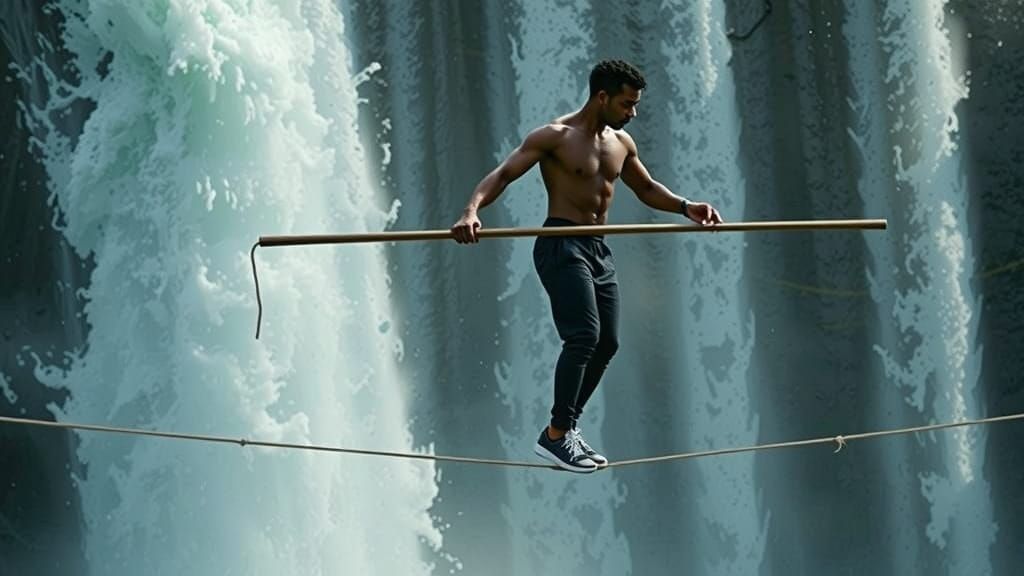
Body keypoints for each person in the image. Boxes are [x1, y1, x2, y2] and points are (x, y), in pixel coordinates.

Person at [451, 60, 723, 473]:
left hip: (598, 249)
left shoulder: (621, 143)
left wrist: (687, 207)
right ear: (602, 96)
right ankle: (558, 436)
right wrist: (471, 210)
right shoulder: (555, 137)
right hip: (562, 243)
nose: (633, 113)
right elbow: (503, 175)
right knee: (583, 336)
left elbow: (647, 188)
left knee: (608, 342)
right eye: (627, 104)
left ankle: (563, 431)